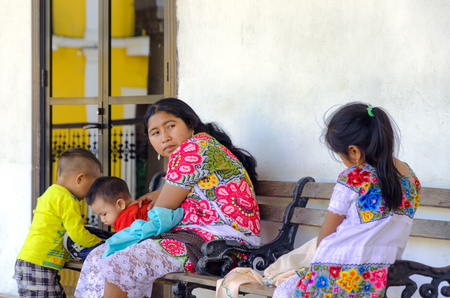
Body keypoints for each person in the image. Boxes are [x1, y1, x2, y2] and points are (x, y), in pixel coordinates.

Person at [74, 97, 260, 298]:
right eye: (155, 133)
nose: (164, 137)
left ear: (190, 124)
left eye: (170, 126)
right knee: (97, 257)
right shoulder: (196, 149)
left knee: (118, 262)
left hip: (224, 244)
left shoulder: (194, 148)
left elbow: (161, 211)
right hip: (197, 237)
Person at [271, 103, 422, 298]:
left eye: (340, 155)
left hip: (338, 270)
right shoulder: (411, 179)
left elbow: (328, 231)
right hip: (378, 274)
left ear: (354, 151)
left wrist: (316, 262)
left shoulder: (354, 177)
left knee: (285, 289)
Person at [13, 148, 103, 298]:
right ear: (79, 179)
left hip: (31, 262)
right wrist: (100, 244)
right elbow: (77, 234)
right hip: (39, 265)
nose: (92, 193)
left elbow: (54, 231)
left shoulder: (51, 193)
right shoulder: (68, 199)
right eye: (92, 186)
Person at [86, 176, 151, 232]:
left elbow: (124, 242)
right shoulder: (141, 204)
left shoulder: (125, 218)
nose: (102, 220)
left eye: (104, 214)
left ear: (120, 204)